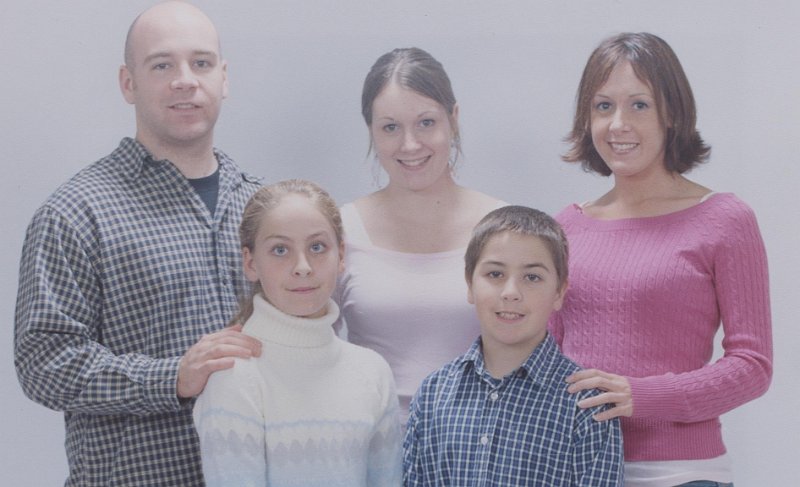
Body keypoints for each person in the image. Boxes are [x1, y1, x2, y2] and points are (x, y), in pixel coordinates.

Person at [14, 2, 263, 485]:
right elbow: (43, 362)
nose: (185, 80)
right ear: (128, 83)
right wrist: (170, 378)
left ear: (224, 78)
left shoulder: (263, 207)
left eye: (202, 63)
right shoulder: (75, 213)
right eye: (162, 65)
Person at [550, 32, 773, 487]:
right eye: (603, 106)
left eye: (639, 105)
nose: (618, 125)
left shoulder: (724, 219)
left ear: (671, 113)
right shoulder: (566, 228)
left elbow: (753, 365)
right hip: (574, 467)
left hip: (678, 472)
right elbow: (546, 358)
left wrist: (643, 395)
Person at [193, 179, 403, 486]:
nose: (302, 266)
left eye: (317, 247)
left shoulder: (372, 372)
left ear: (341, 255)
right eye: (280, 250)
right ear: (250, 263)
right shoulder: (235, 375)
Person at [335, 47, 504, 423]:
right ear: (372, 132)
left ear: (453, 119)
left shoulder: (502, 228)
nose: (410, 144)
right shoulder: (340, 230)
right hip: (369, 454)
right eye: (390, 127)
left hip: (476, 456)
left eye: (426, 122)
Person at [404, 205, 623, 486]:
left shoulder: (588, 403)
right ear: (470, 284)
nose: (511, 293)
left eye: (532, 277)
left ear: (559, 292)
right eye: (495, 274)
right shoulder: (433, 394)